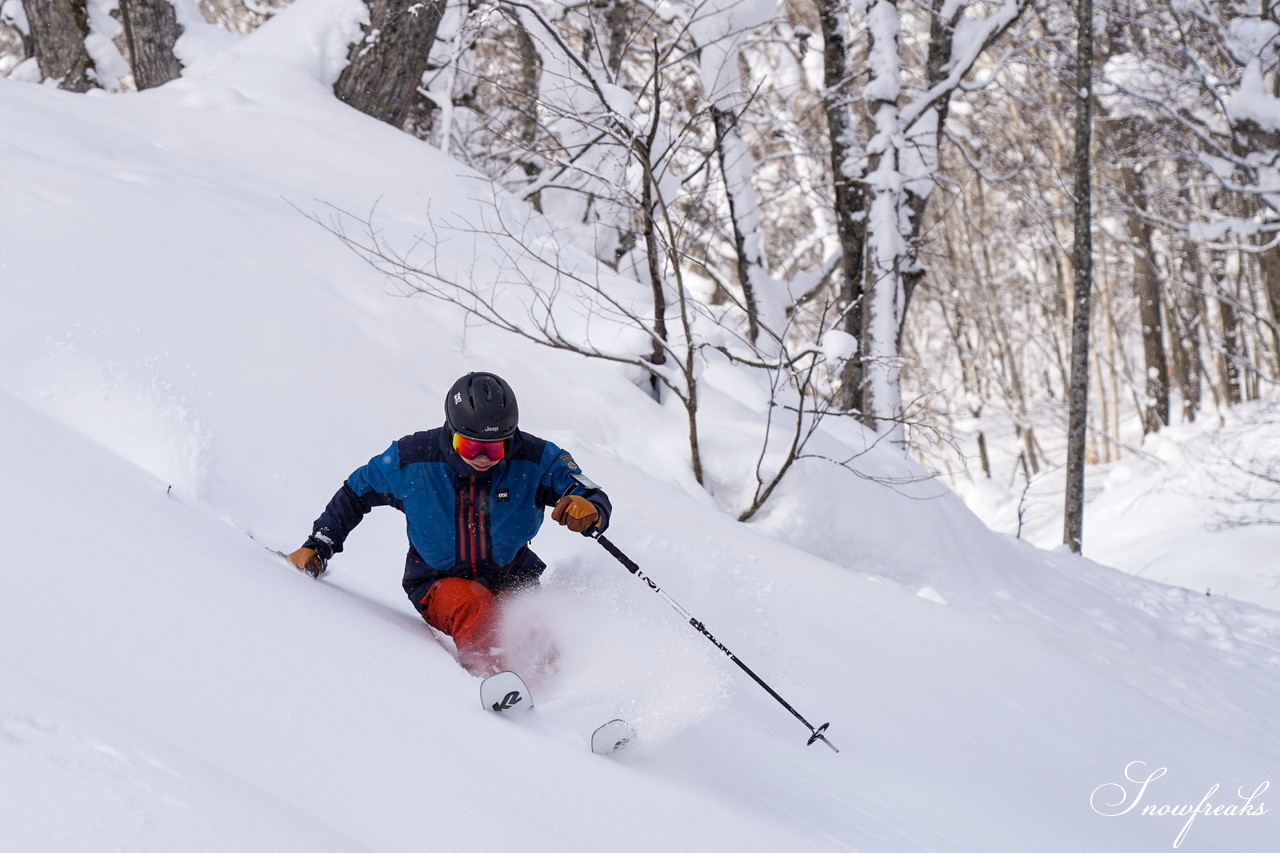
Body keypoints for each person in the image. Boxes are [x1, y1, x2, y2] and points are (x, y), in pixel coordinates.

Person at [287, 372, 611, 676]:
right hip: (437, 582)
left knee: (539, 635)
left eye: (496, 447)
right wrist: (319, 544)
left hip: (511, 577)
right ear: (451, 432)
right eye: (471, 446)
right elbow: (354, 493)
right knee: (474, 606)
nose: (483, 458)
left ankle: (559, 708)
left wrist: (591, 508)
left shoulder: (537, 459)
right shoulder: (412, 459)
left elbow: (589, 491)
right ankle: (493, 684)